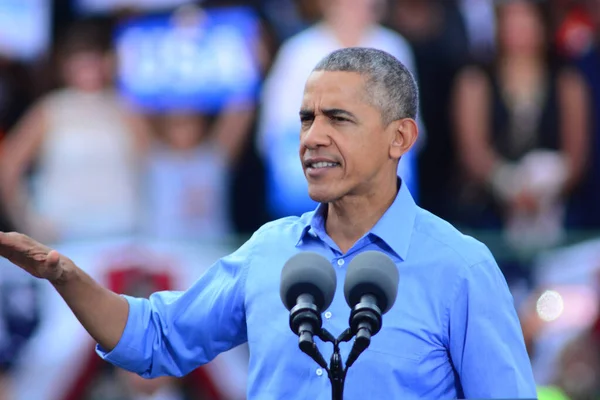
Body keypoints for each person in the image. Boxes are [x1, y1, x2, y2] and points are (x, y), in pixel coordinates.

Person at [0, 48, 536, 399]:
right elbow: (155, 339)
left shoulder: (461, 266)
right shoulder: (269, 251)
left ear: (400, 138)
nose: (312, 137)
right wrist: (63, 275)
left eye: (338, 119)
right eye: (306, 118)